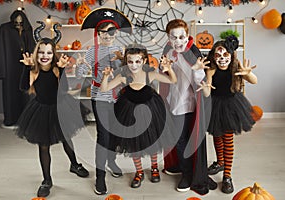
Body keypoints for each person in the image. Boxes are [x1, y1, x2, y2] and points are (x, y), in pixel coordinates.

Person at [16, 21, 89, 198]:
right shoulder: (33, 71)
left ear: (53, 54)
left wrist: (63, 70)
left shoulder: (57, 70)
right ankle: (47, 180)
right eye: (41, 52)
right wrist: (26, 67)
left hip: (60, 107)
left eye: (48, 52)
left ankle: (74, 164)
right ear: (36, 53)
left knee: (66, 139)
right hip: (41, 110)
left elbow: (63, 91)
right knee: (43, 146)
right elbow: (23, 87)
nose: (45, 55)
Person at [100, 43, 177, 188]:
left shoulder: (150, 75)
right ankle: (139, 171)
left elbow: (173, 80)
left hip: (151, 110)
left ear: (144, 61)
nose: (134, 65)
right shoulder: (124, 77)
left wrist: (169, 69)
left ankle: (154, 168)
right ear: (126, 61)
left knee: (153, 140)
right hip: (129, 112)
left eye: (137, 61)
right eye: (130, 61)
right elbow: (105, 89)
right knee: (133, 143)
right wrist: (105, 77)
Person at [159, 19, 217, 195]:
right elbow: (166, 78)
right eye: (173, 37)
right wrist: (164, 70)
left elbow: (200, 83)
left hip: (188, 104)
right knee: (177, 139)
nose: (178, 41)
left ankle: (188, 173)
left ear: (187, 36)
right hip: (172, 101)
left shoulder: (193, 53)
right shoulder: (168, 51)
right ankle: (181, 166)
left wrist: (197, 69)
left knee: (185, 140)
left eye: (181, 37)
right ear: (169, 38)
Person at [79, 8, 132, 195]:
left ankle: (111, 161)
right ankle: (100, 176)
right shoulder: (91, 51)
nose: (107, 35)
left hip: (118, 97)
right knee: (103, 136)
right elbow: (79, 74)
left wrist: (123, 61)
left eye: (111, 31)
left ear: (116, 32)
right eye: (103, 32)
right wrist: (80, 66)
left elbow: (130, 74)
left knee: (115, 133)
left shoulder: (120, 50)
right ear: (98, 33)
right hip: (100, 97)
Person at [204, 36, 257, 194]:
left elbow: (254, 80)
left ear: (232, 55)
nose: (222, 58)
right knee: (216, 135)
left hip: (231, 106)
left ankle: (227, 175)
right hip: (214, 105)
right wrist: (206, 84)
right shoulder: (211, 69)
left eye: (225, 55)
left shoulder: (236, 67)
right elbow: (207, 89)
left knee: (227, 139)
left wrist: (247, 74)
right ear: (213, 56)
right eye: (218, 55)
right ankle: (220, 162)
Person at [0, 10, 35, 129]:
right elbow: (1, 47)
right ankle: (10, 119)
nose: (19, 22)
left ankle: (25, 121)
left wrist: (32, 63)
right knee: (10, 93)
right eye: (17, 19)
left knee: (25, 93)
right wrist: (1, 69)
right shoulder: (5, 29)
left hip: (24, 66)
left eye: (21, 20)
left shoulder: (27, 28)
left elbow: (31, 45)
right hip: (10, 66)